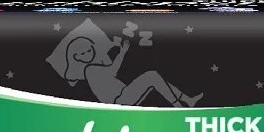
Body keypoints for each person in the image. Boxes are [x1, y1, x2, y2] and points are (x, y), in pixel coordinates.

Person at [64, 36, 203, 107]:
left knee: (156, 79)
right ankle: (178, 105)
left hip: (123, 96)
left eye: (89, 50)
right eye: (82, 54)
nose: (88, 54)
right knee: (152, 76)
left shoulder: (94, 66)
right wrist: (122, 52)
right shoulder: (90, 70)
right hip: (119, 100)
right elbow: (113, 71)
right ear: (76, 57)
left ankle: (187, 100)